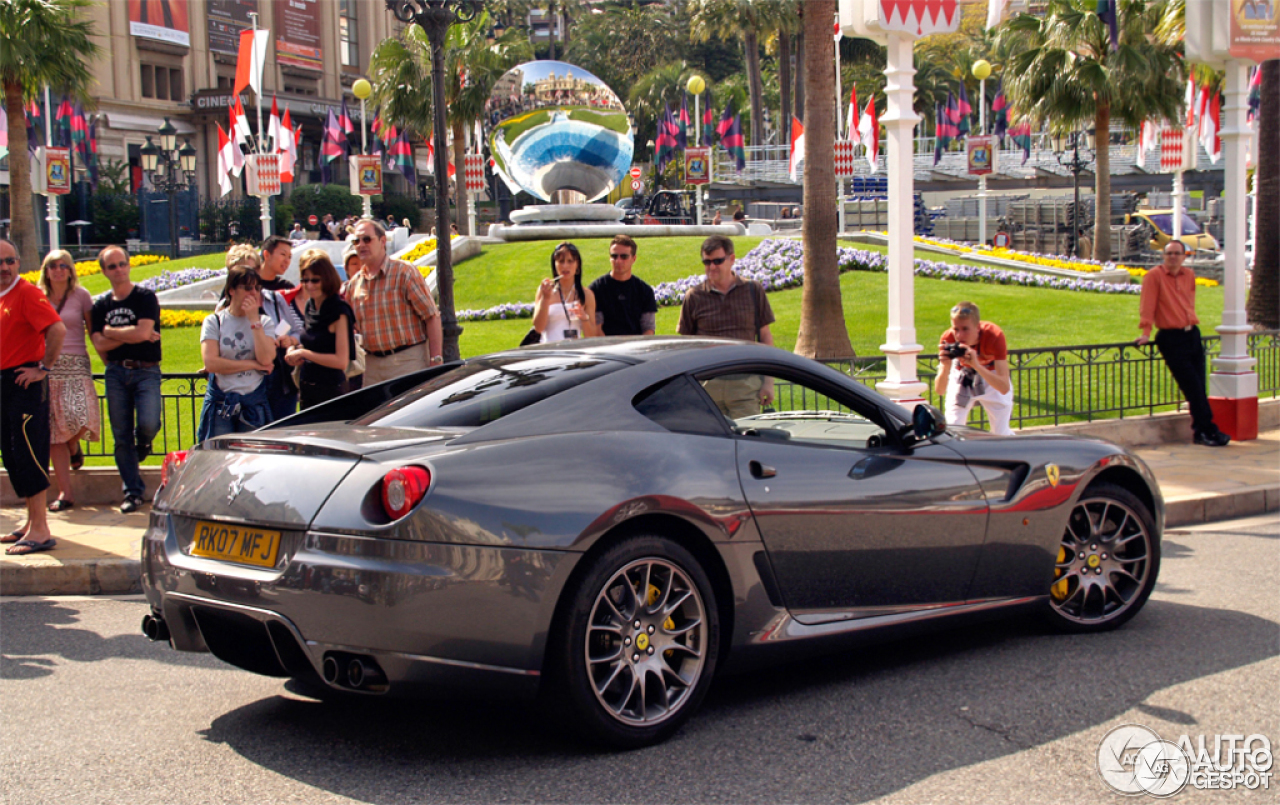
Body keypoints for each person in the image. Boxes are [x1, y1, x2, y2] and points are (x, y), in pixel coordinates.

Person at [0, 238, 66, 554]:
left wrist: (43, 368)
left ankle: (40, 529)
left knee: (29, 453)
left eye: (10, 260)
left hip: (24, 382)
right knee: (12, 455)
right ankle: (30, 523)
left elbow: (57, 329)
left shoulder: (26, 293)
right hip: (4, 384)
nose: (5, 267)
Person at [90, 245, 162, 514]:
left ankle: (144, 441)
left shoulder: (145, 297)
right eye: (112, 266)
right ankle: (133, 492)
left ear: (129, 265)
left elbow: (144, 333)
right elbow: (97, 342)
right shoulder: (101, 305)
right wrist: (130, 333)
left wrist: (111, 331)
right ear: (104, 271)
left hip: (147, 370)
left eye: (122, 264)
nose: (118, 270)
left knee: (148, 422)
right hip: (116, 372)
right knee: (121, 436)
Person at [1137, 240, 1230, 447]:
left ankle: (1201, 432)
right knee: (1193, 388)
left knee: (1199, 385)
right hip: (1171, 338)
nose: (1172, 257)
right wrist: (1145, 332)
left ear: (1184, 256)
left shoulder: (1188, 275)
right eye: (1169, 253)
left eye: (1177, 253)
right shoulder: (1154, 277)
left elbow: (1189, 302)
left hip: (1192, 335)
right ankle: (1208, 431)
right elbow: (1148, 305)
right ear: (1164, 255)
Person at [676, 235, 775, 417]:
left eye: (717, 261)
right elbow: (686, 345)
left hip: (745, 385)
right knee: (711, 445)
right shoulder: (694, 296)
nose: (712, 267)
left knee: (748, 443)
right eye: (707, 262)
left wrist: (768, 382)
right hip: (708, 387)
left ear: (731, 259)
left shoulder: (753, 290)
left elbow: (765, 336)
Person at [38, 249, 100, 512]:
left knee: (79, 416)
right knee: (54, 434)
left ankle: (74, 448)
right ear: (46, 270)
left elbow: (93, 330)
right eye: (53, 265)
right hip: (48, 367)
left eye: (63, 265)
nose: (58, 270)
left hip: (76, 365)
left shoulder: (81, 296)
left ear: (71, 269)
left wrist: (107, 360)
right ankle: (66, 492)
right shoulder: (38, 296)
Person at [344, 219, 443, 384]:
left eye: (367, 239)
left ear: (382, 241)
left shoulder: (404, 273)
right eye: (356, 241)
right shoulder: (354, 284)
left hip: (407, 360)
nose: (361, 245)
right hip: (371, 365)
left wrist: (436, 359)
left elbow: (431, 316)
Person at [222, 244, 302, 420]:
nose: (248, 279)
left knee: (281, 432)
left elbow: (297, 330)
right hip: (243, 384)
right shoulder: (222, 310)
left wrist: (290, 340)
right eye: (240, 274)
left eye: (251, 271)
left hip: (278, 379)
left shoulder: (274, 299)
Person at [196, 266, 275, 442]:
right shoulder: (214, 322)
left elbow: (266, 359)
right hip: (221, 404)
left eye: (256, 288)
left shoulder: (264, 323)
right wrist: (253, 365)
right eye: (247, 288)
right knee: (217, 460)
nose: (253, 293)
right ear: (231, 290)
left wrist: (254, 321)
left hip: (253, 404)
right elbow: (212, 363)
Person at [286, 250, 355, 409]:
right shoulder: (311, 305)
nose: (309, 285)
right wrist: (294, 350)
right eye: (305, 280)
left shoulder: (339, 310)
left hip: (331, 391)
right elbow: (313, 342)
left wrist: (304, 353)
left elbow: (341, 361)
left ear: (326, 278)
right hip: (307, 387)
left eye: (315, 280)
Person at [935, 301, 1015, 436]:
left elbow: (1003, 387)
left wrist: (976, 365)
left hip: (990, 373)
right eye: (956, 329)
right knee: (953, 428)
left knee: (1001, 433)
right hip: (963, 375)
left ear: (978, 327)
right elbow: (939, 390)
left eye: (965, 329)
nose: (959, 336)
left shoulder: (994, 335)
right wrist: (945, 366)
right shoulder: (948, 338)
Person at [589, 234, 656, 336]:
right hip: (606, 346)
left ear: (633, 259)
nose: (618, 261)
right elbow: (596, 328)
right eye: (614, 256)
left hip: (636, 347)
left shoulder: (644, 291)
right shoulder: (596, 289)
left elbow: (648, 329)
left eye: (624, 256)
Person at [532, 242, 598, 343]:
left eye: (570, 261)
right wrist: (545, 299)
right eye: (561, 261)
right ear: (555, 265)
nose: (565, 266)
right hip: (550, 351)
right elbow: (538, 328)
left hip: (575, 353)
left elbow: (592, 337)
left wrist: (584, 317)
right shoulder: (545, 291)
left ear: (577, 266)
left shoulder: (587, 295)